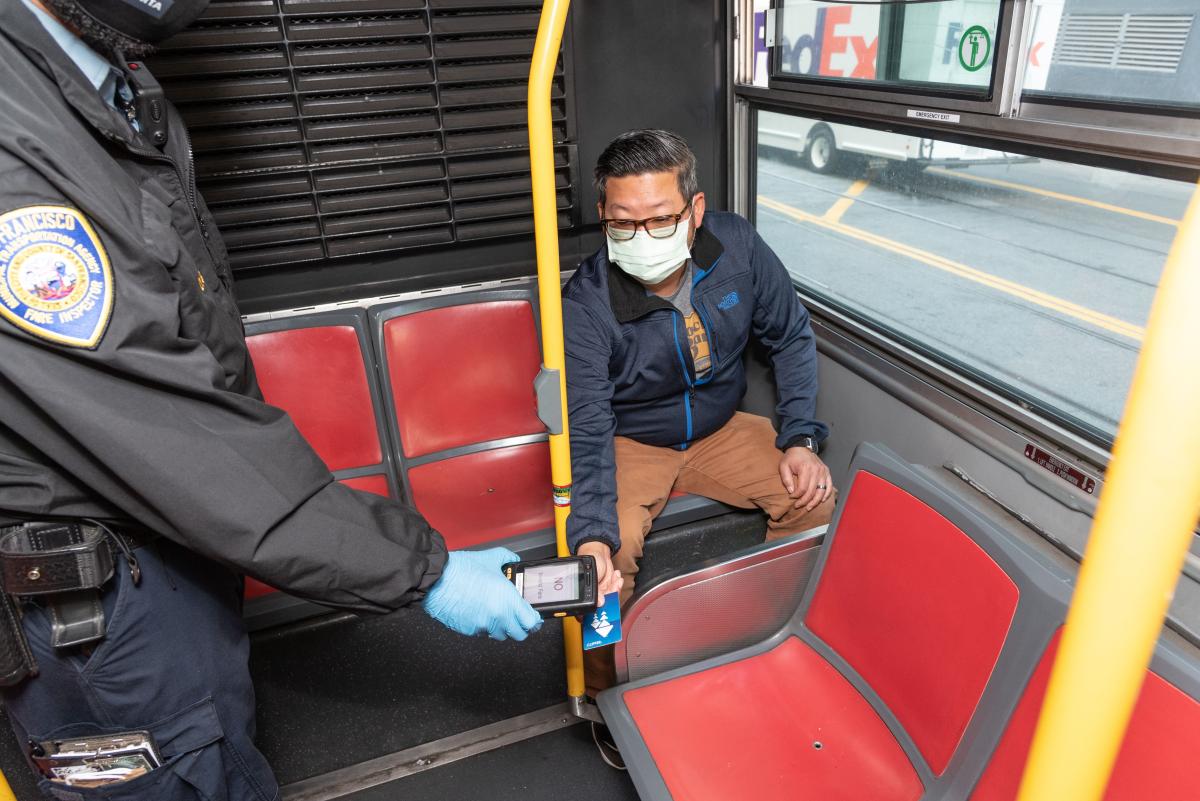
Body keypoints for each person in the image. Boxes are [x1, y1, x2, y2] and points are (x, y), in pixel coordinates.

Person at [0, 0, 541, 797]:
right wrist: (424, 571)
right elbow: (165, 423)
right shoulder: (20, 137)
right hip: (99, 608)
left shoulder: (111, 85)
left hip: (174, 548)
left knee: (223, 753)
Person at [562, 129, 836, 761]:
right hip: (633, 438)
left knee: (812, 496)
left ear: (695, 211)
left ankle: (765, 632)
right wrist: (595, 533)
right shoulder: (588, 301)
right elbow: (588, 420)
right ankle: (606, 693)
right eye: (622, 223)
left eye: (660, 219)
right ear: (604, 217)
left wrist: (798, 437)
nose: (641, 237)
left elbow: (791, 337)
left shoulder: (736, 247)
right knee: (604, 562)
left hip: (720, 427)